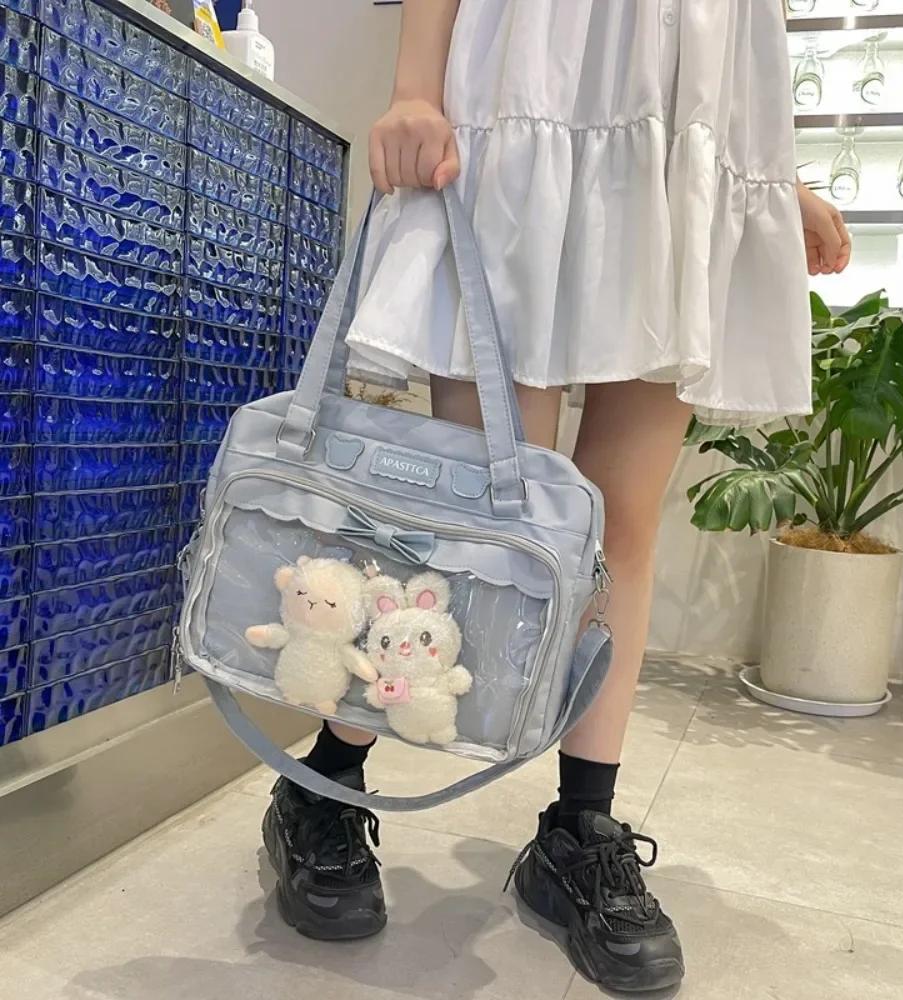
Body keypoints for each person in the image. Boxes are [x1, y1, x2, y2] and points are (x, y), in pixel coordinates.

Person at [262, 0, 851, 990]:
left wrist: (766, 171)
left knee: (620, 526)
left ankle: (582, 830)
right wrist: (414, 87)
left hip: (687, 139)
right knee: (479, 518)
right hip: (530, 78)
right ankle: (324, 784)